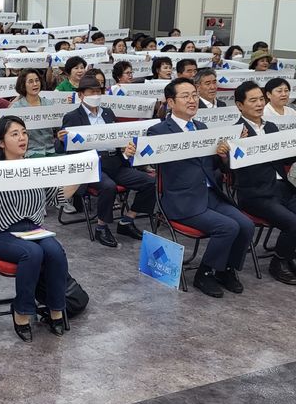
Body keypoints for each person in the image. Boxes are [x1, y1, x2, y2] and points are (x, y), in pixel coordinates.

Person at [0, 116, 76, 341]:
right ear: (1, 142)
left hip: (33, 229)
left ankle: (56, 309)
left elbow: (57, 196)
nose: (22, 138)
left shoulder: (35, 167)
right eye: (14, 134)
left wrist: (84, 174)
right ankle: (22, 311)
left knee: (55, 250)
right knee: (32, 252)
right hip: (0, 234)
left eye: (24, 133)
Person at [147, 78, 254, 297]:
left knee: (246, 224)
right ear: (170, 102)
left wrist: (223, 155)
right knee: (228, 227)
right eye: (185, 96)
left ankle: (225, 270)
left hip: (209, 193)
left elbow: (212, 165)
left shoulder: (202, 127)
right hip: (182, 199)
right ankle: (204, 274)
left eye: (194, 95)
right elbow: (146, 159)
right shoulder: (158, 132)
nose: (192, 100)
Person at [58, 75, 156, 247]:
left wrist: (126, 151)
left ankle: (127, 220)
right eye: (91, 92)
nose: (95, 95)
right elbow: (65, 149)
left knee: (149, 182)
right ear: (81, 95)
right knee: (108, 186)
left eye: (98, 91)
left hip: (115, 162)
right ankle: (101, 227)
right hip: (92, 166)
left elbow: (118, 139)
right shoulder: (72, 117)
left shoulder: (108, 113)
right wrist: (60, 140)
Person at [230, 81, 296, 284]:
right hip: (255, 193)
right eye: (253, 100)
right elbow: (230, 169)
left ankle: (288, 254)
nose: (259, 104)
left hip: (282, 188)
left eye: (261, 99)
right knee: (293, 223)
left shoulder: (272, 127)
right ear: (240, 105)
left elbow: (283, 159)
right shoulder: (235, 132)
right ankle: (279, 262)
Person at [9, 69, 56, 157]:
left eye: (37, 80)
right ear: (23, 85)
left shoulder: (49, 104)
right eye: (30, 81)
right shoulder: (16, 107)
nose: (35, 84)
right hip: (30, 152)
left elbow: (59, 127)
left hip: (52, 149)